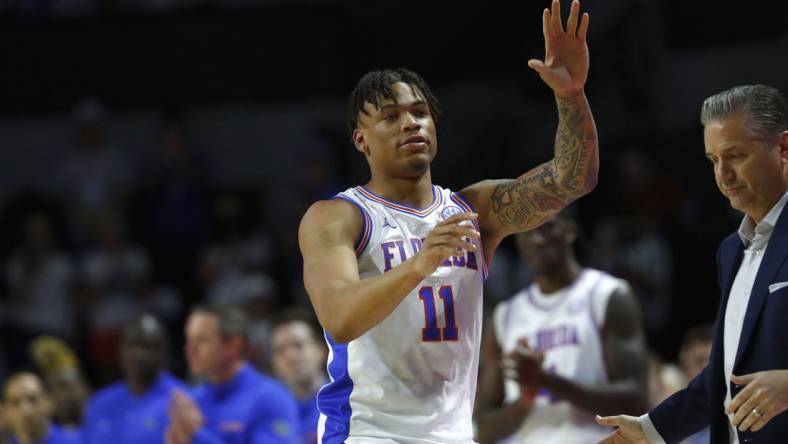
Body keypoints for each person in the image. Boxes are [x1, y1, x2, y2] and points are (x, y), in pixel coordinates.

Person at [298, 0, 599, 441]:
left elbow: (573, 180)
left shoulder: (474, 210)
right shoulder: (340, 216)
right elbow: (339, 317)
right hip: (367, 432)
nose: (411, 124)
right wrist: (419, 264)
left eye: (420, 113)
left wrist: (570, 95)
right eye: (391, 117)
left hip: (452, 434)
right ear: (361, 141)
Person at [596, 84, 788, 443]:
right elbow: (723, 376)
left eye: (736, 156)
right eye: (714, 160)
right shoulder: (730, 251)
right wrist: (650, 429)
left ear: (783, 148)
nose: (724, 175)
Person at [475, 213, 647, 443]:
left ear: (570, 231)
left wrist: (547, 381)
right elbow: (484, 429)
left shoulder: (608, 295)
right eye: (526, 231)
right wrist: (527, 400)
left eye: (547, 227)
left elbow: (636, 401)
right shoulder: (505, 316)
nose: (536, 239)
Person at [165, 304, 299, 444]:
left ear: (234, 345)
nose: (190, 349)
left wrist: (196, 436)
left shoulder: (272, 399)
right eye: (189, 339)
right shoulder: (193, 401)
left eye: (202, 340)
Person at [82, 314, 183, 444]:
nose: (139, 354)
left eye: (148, 346)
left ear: (164, 353)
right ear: (120, 350)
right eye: (133, 344)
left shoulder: (181, 401)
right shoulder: (99, 403)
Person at [269, 308, 328, 444]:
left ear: (321, 350)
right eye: (280, 350)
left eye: (299, 345)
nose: (291, 356)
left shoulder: (347, 402)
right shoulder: (265, 407)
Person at [2, 372, 82, 444]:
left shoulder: (79, 440)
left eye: (32, 399)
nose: (26, 410)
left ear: (48, 402)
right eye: (15, 403)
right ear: (5, 412)